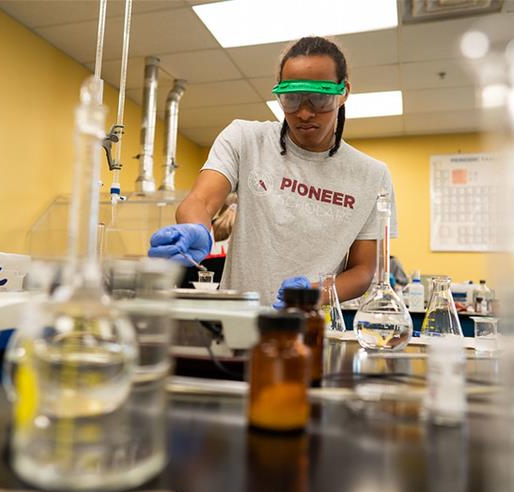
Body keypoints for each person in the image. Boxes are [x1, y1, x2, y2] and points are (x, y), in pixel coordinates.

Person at [149, 36, 398, 306]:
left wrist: (313, 293)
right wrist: (195, 228)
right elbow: (201, 200)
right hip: (238, 319)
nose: (304, 113)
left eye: (319, 99)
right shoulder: (244, 138)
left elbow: (363, 270)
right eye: (291, 99)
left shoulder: (372, 175)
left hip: (311, 325)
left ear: (343, 92)